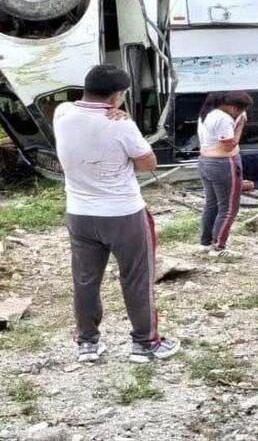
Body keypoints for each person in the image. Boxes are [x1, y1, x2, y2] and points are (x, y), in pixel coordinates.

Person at [53, 64, 180, 363]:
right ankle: (145, 343)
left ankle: (87, 344)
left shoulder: (62, 114)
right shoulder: (120, 124)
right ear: (116, 97)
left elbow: (73, 112)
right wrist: (126, 120)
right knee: (136, 278)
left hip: (80, 213)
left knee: (85, 280)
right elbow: (147, 163)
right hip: (123, 213)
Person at [197, 90, 254, 257]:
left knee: (211, 204)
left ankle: (206, 242)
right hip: (223, 163)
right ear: (236, 108)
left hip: (205, 161)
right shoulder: (223, 118)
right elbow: (229, 145)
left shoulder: (206, 114)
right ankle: (219, 245)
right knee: (229, 207)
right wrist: (240, 124)